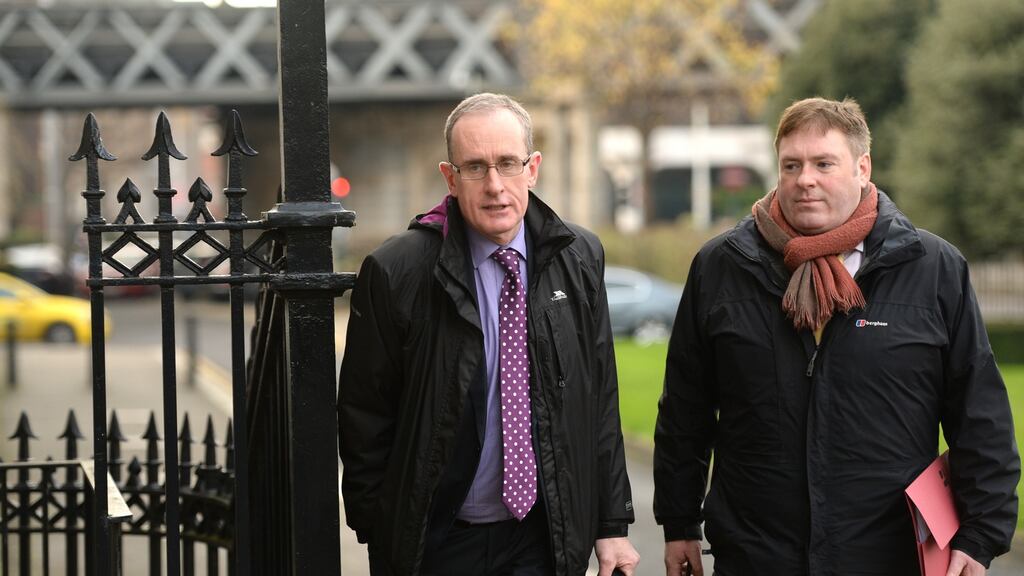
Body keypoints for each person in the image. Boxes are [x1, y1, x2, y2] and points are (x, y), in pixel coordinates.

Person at [653, 97, 1019, 576]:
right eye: (792, 165)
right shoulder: (721, 267)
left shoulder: (932, 268)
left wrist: (981, 534)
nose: (805, 178)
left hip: (888, 556)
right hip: (756, 556)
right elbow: (685, 408)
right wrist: (679, 523)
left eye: (824, 163)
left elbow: (979, 410)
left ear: (862, 167)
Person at [338, 93, 640, 576]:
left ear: (533, 168)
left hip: (544, 539)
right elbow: (364, 418)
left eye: (507, 163)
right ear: (450, 178)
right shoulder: (397, 271)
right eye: (476, 167)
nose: (495, 185)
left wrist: (611, 524)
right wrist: (382, 530)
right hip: (439, 545)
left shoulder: (580, 256)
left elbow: (599, 396)